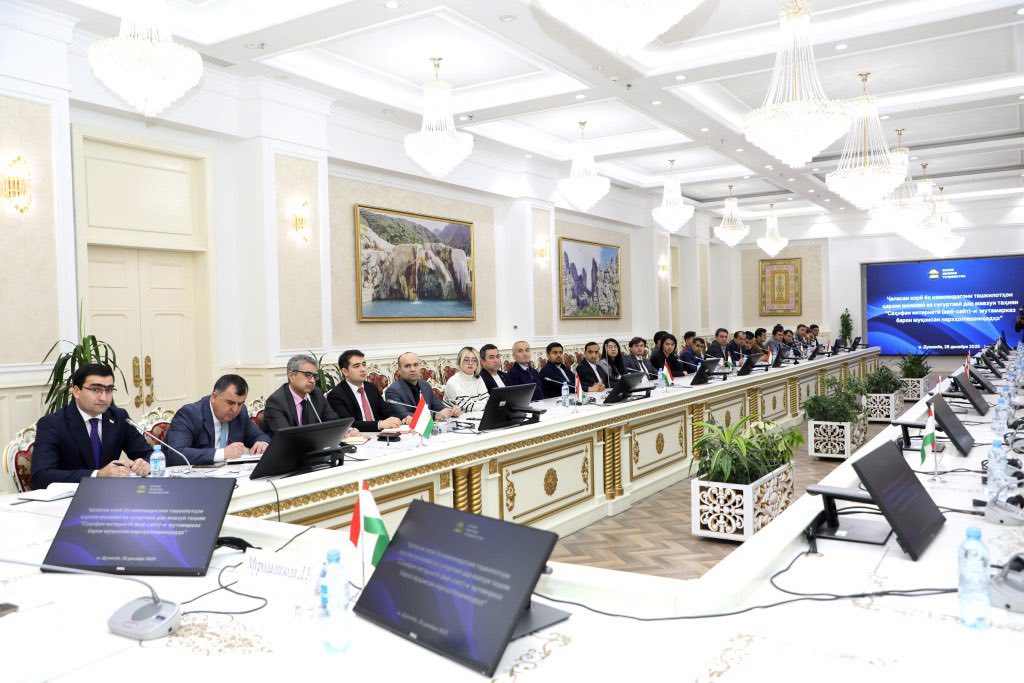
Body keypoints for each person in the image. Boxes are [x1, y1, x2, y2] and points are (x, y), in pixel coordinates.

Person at [31, 363, 151, 489]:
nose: (104, 397)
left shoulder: (119, 418)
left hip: (112, 493)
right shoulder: (52, 424)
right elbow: (40, 476)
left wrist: (145, 464)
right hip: (72, 497)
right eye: (96, 390)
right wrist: (97, 475)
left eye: (109, 390)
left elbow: (148, 454)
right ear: (76, 391)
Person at [166, 374, 270, 465]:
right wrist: (223, 453)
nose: (235, 409)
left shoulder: (241, 413)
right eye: (230, 403)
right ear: (214, 397)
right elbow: (176, 454)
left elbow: (260, 436)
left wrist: (262, 443)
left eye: (240, 404)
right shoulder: (189, 414)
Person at [327, 350, 406, 432]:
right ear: (345, 372)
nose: (363, 369)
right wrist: (379, 425)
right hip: (358, 436)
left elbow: (386, 411)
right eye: (356, 366)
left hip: (380, 434)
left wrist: (401, 419)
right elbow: (348, 424)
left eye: (364, 364)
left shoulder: (371, 387)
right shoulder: (336, 395)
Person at [264, 354, 341, 437]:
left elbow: (333, 421)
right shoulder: (276, 402)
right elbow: (286, 437)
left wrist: (346, 430)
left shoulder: (316, 394)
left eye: (315, 376)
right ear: (292, 376)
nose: (312, 381)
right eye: (308, 375)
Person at [385, 352, 460, 421]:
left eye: (415, 365)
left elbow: (440, 407)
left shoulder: (425, 385)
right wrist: (434, 416)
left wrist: (452, 411)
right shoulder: (393, 390)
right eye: (407, 366)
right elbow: (403, 415)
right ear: (399, 370)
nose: (412, 369)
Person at [443, 347, 490, 412]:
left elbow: (488, 400)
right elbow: (468, 407)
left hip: (478, 415)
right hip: (457, 418)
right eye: (466, 360)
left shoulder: (478, 378)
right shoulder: (453, 382)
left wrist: (487, 405)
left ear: (477, 364)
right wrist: (486, 405)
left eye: (474, 360)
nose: (470, 363)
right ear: (459, 362)